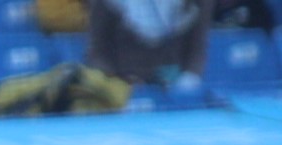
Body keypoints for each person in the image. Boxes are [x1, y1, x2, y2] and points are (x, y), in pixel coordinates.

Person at [84, 0, 212, 87]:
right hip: (124, 87)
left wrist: (190, 77)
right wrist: (115, 83)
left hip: (174, 88)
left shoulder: (200, 2)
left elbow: (198, 47)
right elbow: (98, 51)